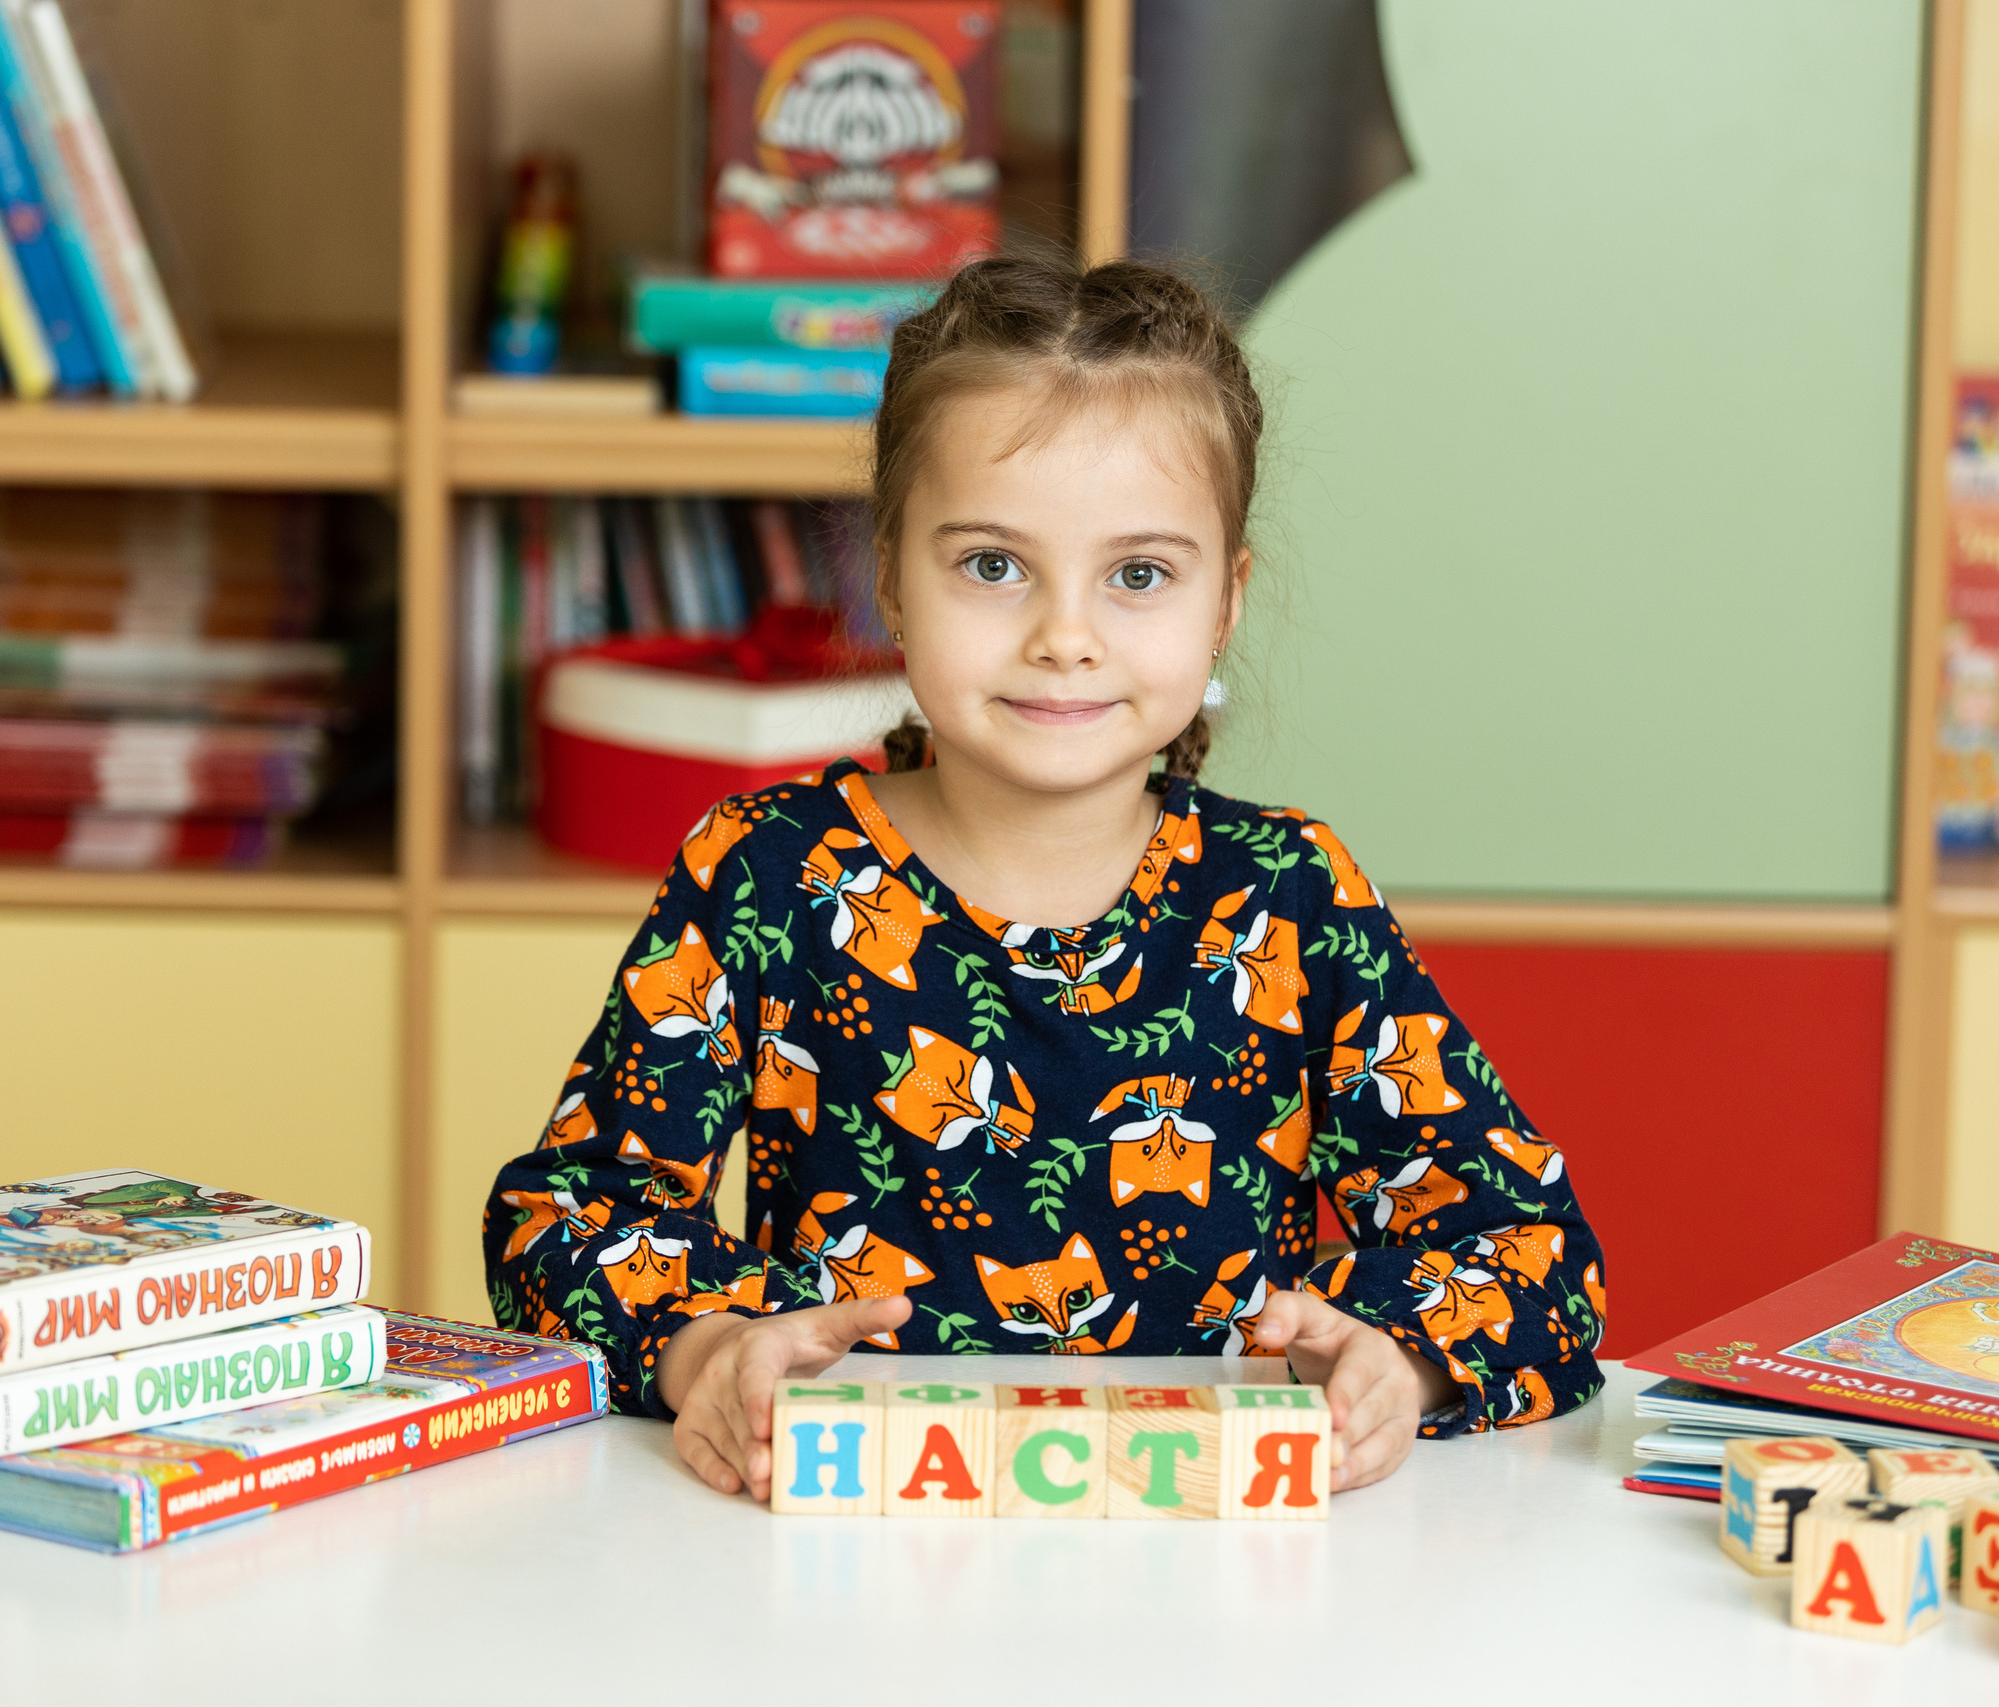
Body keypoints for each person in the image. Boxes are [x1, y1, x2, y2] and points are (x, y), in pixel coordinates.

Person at [484, 255, 1607, 1502]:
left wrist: (1399, 1361)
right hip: (845, 1569)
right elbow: (567, 1219)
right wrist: (707, 1354)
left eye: (1137, 576)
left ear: (1223, 602)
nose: (1064, 634)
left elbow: (1526, 1246)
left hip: (1226, 1579)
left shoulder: (1290, 897)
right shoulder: (768, 875)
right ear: (891, 577)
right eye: (991, 565)